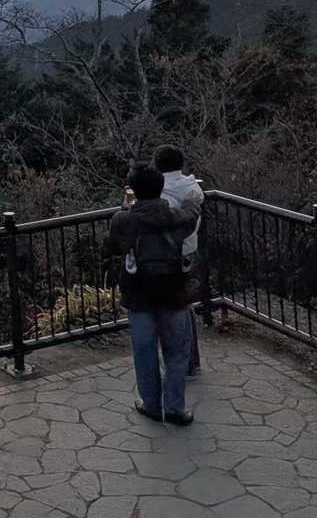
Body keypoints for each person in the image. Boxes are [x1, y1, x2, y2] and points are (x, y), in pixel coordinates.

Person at [104, 165, 201, 426]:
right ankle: (175, 408)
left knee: (145, 352)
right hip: (173, 291)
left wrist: (126, 208)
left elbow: (111, 247)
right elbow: (192, 213)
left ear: (133, 191)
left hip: (140, 295)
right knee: (177, 353)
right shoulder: (176, 217)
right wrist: (192, 198)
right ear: (160, 188)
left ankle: (151, 404)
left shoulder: (124, 220)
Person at [153, 143, 205, 377]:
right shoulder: (192, 187)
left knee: (168, 309)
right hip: (190, 251)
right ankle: (191, 361)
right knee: (185, 305)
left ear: (157, 165)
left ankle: (176, 363)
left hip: (167, 255)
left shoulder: (160, 193)